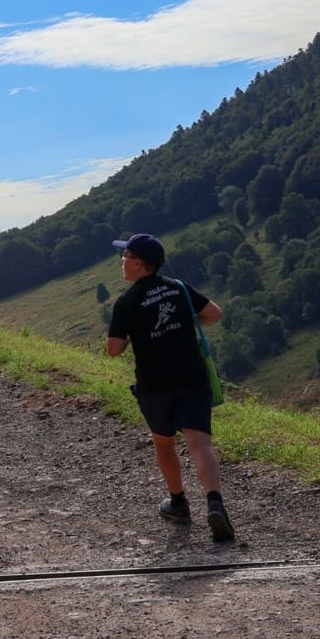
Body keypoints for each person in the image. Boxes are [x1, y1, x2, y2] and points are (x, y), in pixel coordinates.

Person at [106, 233, 235, 543]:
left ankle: (178, 504)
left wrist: (138, 333)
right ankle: (215, 505)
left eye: (124, 257)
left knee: (164, 443)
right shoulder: (178, 288)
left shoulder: (127, 302)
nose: (121, 263)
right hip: (192, 377)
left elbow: (113, 349)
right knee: (199, 444)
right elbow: (214, 314)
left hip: (155, 385)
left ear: (137, 263)